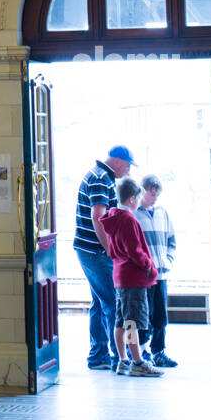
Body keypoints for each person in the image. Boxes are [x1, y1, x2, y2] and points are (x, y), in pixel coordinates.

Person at [74, 145, 134, 371]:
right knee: (113, 302)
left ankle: (98, 356)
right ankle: (122, 357)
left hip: (89, 250)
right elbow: (98, 217)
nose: (127, 172)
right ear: (118, 161)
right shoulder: (100, 179)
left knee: (100, 302)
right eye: (127, 166)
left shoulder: (100, 176)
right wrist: (111, 250)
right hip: (95, 252)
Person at [100, 179, 162, 377]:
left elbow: (114, 248)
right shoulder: (128, 219)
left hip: (119, 274)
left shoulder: (112, 216)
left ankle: (122, 360)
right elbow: (134, 250)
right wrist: (149, 267)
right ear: (132, 198)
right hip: (132, 277)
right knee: (132, 322)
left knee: (120, 321)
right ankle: (137, 362)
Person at [133, 174, 178, 368]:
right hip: (143, 276)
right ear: (143, 191)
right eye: (152, 194)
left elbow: (172, 241)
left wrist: (168, 261)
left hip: (161, 274)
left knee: (161, 316)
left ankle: (159, 351)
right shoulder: (134, 214)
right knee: (144, 315)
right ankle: (142, 353)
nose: (155, 197)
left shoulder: (163, 213)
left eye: (157, 194)